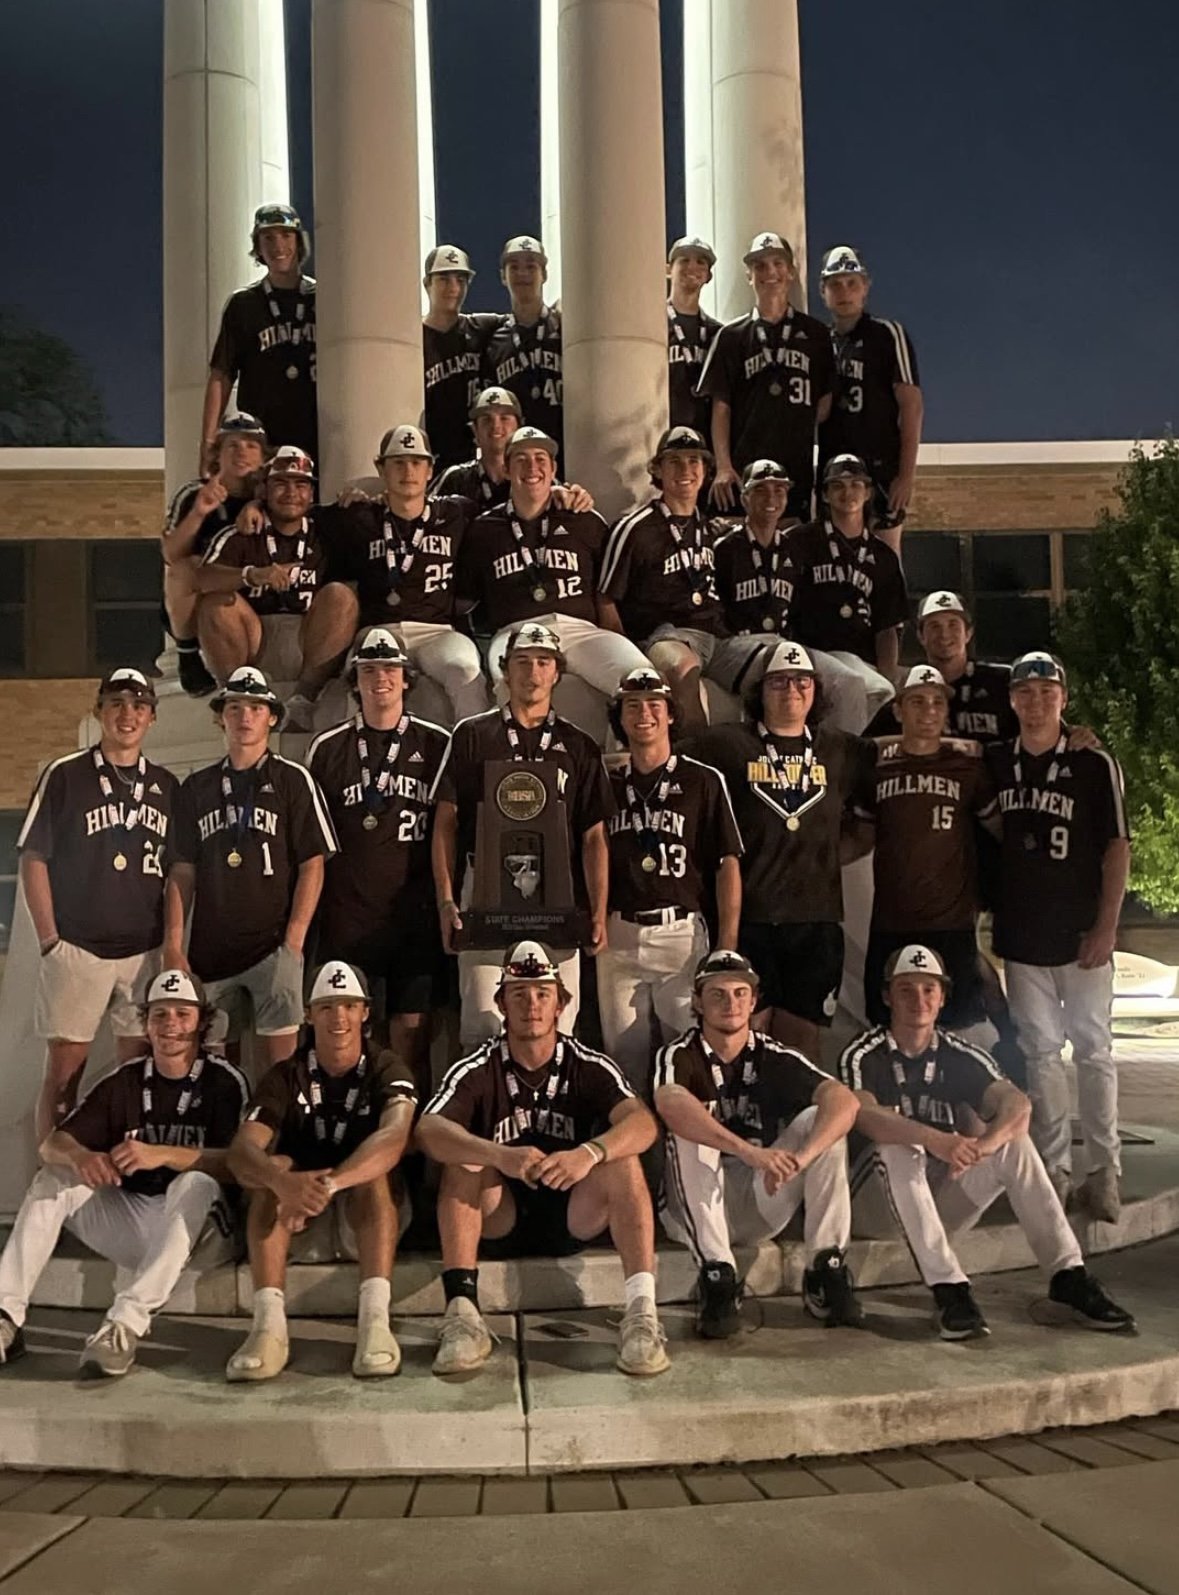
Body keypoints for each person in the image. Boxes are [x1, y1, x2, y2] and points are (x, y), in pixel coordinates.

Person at [839, 944, 1135, 1339]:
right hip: (873, 1207)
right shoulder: (864, 1053)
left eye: (929, 989)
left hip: (937, 1199)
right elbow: (865, 1116)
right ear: (887, 995)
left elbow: (1015, 1103)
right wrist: (937, 1140)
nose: (919, 1000)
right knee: (897, 1146)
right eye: (906, 989)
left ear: (943, 997)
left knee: (1015, 1142)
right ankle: (950, 1290)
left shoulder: (957, 1052)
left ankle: (1068, 1275)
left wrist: (987, 1144)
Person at [417, 941, 669, 1378]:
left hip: (572, 1210)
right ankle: (462, 1313)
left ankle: (642, 1315)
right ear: (501, 1004)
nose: (531, 1005)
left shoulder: (587, 1063)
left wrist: (588, 1154)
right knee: (464, 1161)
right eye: (519, 994)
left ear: (560, 1004)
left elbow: (643, 1124)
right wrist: (498, 1154)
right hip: (501, 1214)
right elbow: (429, 1130)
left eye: (541, 994)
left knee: (622, 1160)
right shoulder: (480, 1065)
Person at [0, 970, 247, 1376]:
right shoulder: (127, 1080)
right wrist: (80, 1156)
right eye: (160, 1015)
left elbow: (239, 1166)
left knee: (195, 1182)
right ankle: (7, 1316)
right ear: (146, 1024)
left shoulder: (224, 1081)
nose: (171, 1026)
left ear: (202, 1022)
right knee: (54, 1178)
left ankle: (123, 1327)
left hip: (205, 1234)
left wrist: (161, 1154)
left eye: (183, 1015)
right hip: (137, 1220)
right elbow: (51, 1146)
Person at [986, 652, 1131, 1222]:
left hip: (1080, 933)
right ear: (1014, 700)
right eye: (1026, 692)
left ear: (1063, 699)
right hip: (1023, 934)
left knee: (1094, 1051)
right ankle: (1054, 1169)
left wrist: (1108, 924)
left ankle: (1104, 1169)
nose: (1037, 700)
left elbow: (1117, 846)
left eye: (1047, 691)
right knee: (1041, 1055)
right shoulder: (998, 760)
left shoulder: (1095, 763)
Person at [654, 950, 863, 1338]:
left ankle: (826, 1268)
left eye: (739, 993)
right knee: (690, 1128)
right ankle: (717, 1276)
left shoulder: (772, 1054)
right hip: (693, 1209)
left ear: (753, 1001)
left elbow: (844, 1100)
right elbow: (671, 1104)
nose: (729, 1003)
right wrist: (748, 1151)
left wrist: (801, 1158)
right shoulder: (681, 1053)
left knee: (822, 1123)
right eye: (717, 994)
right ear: (697, 1002)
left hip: (760, 1197)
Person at [225, 961, 417, 1381]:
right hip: (299, 1223)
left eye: (349, 1005)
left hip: (361, 1218)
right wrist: (282, 1182)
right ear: (309, 1015)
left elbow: (395, 1136)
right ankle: (268, 1328)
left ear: (365, 1012)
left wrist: (328, 1185)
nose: (339, 1018)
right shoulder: (285, 1074)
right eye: (327, 1007)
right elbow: (241, 1151)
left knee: (373, 1172)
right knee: (270, 1169)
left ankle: (374, 1324)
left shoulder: (386, 1067)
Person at [688, 642, 876, 1061]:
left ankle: (791, 1124)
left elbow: (869, 819)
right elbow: (663, 761)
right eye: (778, 681)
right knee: (741, 1038)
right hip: (748, 917)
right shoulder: (725, 745)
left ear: (815, 690)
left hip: (815, 921)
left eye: (801, 680)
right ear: (760, 691)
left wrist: (827, 853)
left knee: (801, 1046)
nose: (790, 689)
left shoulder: (843, 750)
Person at [431, 623, 615, 1048]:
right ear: (505, 671)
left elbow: (594, 838)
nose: (533, 671)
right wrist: (446, 899)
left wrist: (599, 911)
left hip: (558, 891)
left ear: (557, 673)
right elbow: (445, 822)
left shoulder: (580, 745)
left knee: (558, 1028)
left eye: (543, 662)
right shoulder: (473, 735)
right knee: (481, 1025)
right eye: (522, 662)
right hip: (484, 890)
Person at [19, 668, 179, 1140]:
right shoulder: (66, 774)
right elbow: (34, 857)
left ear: (151, 717)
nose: (127, 715)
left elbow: (178, 872)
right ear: (99, 711)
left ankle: (127, 1182)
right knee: (63, 1080)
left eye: (137, 706)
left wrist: (170, 945)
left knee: (137, 1082)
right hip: (79, 949)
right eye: (116, 704)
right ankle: (52, 1185)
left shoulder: (167, 786)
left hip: (142, 954)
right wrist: (50, 940)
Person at [163, 668, 338, 1069]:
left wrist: (294, 941)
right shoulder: (197, 787)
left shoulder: (293, 780)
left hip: (273, 946)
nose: (245, 717)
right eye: (235, 707)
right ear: (220, 716)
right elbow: (181, 872)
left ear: (272, 717)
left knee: (282, 1068)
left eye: (256, 708)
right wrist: (174, 945)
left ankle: (279, 1134)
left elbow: (313, 864)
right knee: (216, 1068)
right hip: (211, 951)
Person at [308, 630, 449, 1098]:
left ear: (407, 680)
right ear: (355, 681)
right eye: (369, 671)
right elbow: (314, 846)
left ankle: (411, 1150)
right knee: (349, 1040)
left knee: (412, 1038)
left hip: (415, 917)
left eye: (389, 670)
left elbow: (453, 832)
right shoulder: (327, 749)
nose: (380, 679)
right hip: (349, 917)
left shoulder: (437, 744)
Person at [599, 668, 743, 1090]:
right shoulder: (606, 783)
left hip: (679, 933)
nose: (644, 714)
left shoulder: (702, 779)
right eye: (633, 706)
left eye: (654, 705)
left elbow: (727, 863)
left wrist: (727, 944)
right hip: (618, 932)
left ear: (670, 715)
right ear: (620, 718)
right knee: (623, 1064)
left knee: (691, 1057)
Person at [454, 426, 649, 704]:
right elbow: (464, 600)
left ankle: (618, 749)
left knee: (640, 680)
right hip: (515, 632)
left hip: (580, 630)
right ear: (507, 469)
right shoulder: (483, 529)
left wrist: (618, 634)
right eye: (521, 459)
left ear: (553, 467)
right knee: (513, 687)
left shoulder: (583, 518)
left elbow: (606, 591)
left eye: (540, 459)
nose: (532, 466)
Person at [858, 666, 998, 1029]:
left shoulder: (969, 767)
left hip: (951, 921)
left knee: (955, 1026)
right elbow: (858, 836)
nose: (929, 710)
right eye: (917, 701)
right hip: (892, 920)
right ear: (898, 710)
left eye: (938, 702)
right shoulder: (876, 768)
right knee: (887, 1024)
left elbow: (999, 829)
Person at [320, 425, 488, 726]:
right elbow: (294, 515)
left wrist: (562, 492)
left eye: (416, 462)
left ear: (430, 469)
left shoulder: (457, 512)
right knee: (363, 671)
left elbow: (512, 506)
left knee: (465, 670)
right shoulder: (360, 515)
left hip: (438, 631)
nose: (408, 471)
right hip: (379, 627)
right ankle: (355, 765)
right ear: (380, 467)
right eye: (398, 462)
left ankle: (472, 762)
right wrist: (252, 504)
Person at [711, 458, 882, 734]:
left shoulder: (794, 548)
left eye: (779, 490)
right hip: (735, 644)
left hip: (780, 643)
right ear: (745, 499)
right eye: (761, 490)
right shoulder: (725, 548)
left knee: (850, 684)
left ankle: (837, 764)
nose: (771, 498)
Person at [194, 446, 357, 728]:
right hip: (253, 639)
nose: (291, 493)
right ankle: (234, 695)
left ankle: (303, 701)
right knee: (215, 603)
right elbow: (201, 579)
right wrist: (251, 575)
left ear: (312, 492)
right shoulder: (242, 531)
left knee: (342, 596)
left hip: (311, 639)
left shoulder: (327, 527)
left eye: (301, 484)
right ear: (264, 490)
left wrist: (362, 499)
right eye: (281, 484)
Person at [600, 426, 739, 731]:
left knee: (780, 664)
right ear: (657, 469)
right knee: (682, 668)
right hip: (664, 635)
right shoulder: (634, 528)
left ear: (705, 470)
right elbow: (606, 596)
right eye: (674, 461)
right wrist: (626, 652)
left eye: (694, 461)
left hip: (717, 637)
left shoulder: (710, 527)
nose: (685, 470)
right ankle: (699, 760)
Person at [696, 231, 835, 520]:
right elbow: (721, 408)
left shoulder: (817, 335)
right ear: (749, 275)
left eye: (778, 263)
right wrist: (723, 466)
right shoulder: (731, 336)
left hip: (794, 475)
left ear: (792, 272)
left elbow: (824, 406)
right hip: (742, 473)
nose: (770, 272)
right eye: (760, 266)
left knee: (791, 556)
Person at [816, 245, 923, 554]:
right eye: (835, 284)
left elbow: (911, 406)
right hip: (833, 465)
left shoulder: (888, 335)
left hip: (880, 466)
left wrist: (905, 476)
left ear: (865, 286)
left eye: (851, 282)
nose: (844, 291)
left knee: (884, 558)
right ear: (823, 291)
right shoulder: (819, 341)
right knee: (835, 555)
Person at [203, 204, 316, 473]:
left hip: (318, 437)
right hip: (261, 441)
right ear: (258, 247)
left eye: (286, 236)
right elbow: (221, 375)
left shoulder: (321, 297)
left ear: (299, 241)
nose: (278, 245)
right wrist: (208, 443)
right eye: (268, 238)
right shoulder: (244, 303)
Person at [163, 412, 270, 697]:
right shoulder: (194, 492)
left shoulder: (276, 493)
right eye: (232, 445)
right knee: (185, 570)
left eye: (251, 445)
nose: (241, 453)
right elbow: (171, 555)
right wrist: (200, 511)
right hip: (208, 598)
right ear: (218, 454)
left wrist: (258, 502)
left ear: (263, 456)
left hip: (258, 601)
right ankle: (189, 657)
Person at [785, 453, 906, 701]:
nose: (847, 492)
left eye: (855, 485)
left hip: (864, 664)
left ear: (868, 492)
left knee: (881, 691)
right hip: (811, 659)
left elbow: (887, 627)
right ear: (825, 495)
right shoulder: (798, 542)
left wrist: (889, 676)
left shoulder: (883, 556)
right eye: (837, 485)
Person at [866, 590, 1017, 743]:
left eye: (953, 625)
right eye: (934, 626)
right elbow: (867, 747)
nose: (944, 634)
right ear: (920, 636)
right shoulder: (908, 688)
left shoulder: (1002, 682)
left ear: (968, 633)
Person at [421, 244, 504, 475]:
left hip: (479, 461)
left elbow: (522, 318)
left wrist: (558, 307)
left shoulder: (481, 327)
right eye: (444, 279)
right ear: (427, 283)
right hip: (434, 462)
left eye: (461, 279)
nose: (454, 288)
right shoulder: (413, 340)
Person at [482, 236, 563, 459]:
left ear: (544, 274)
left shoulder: (566, 327)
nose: (523, 273)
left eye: (531, 266)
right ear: (502, 276)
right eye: (514, 266)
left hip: (568, 452)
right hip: (518, 463)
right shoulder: (494, 340)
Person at [666, 236, 721, 436]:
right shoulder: (652, 327)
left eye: (701, 262)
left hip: (703, 445)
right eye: (684, 260)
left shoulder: (718, 334)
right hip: (661, 440)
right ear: (668, 270)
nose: (692, 267)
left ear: (708, 276)